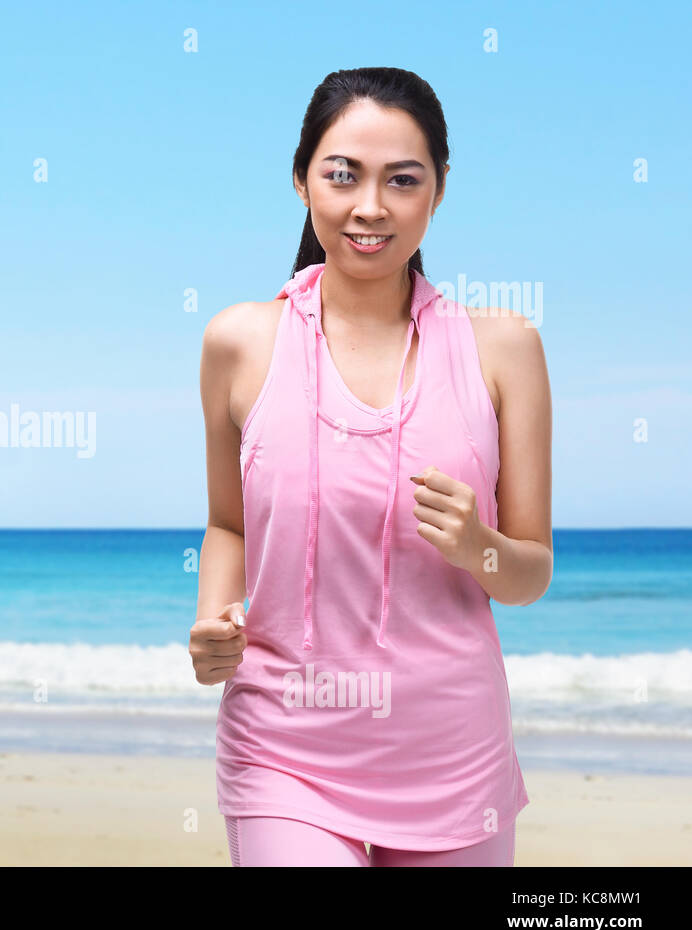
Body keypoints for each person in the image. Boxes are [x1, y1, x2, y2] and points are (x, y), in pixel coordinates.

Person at [190, 67, 553, 867]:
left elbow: (529, 573)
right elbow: (228, 522)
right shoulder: (239, 342)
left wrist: (477, 546)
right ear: (301, 179)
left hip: (453, 759)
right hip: (283, 750)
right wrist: (214, 619)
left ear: (440, 189)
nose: (370, 207)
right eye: (343, 174)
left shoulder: (504, 349)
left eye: (403, 180)